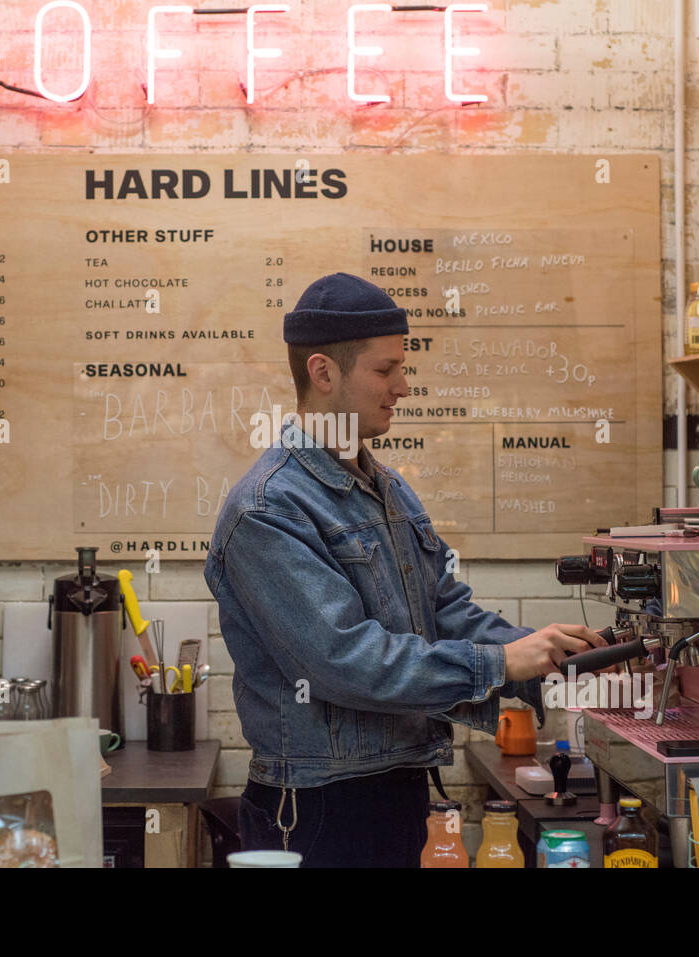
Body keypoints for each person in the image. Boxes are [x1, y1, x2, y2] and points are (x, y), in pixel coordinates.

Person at [203, 273, 606, 867]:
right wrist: (499, 663)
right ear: (323, 373)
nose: (404, 386)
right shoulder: (268, 508)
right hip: (319, 812)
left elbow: (442, 610)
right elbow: (343, 661)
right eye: (385, 370)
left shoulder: (386, 489)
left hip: (396, 789)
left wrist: (549, 651)